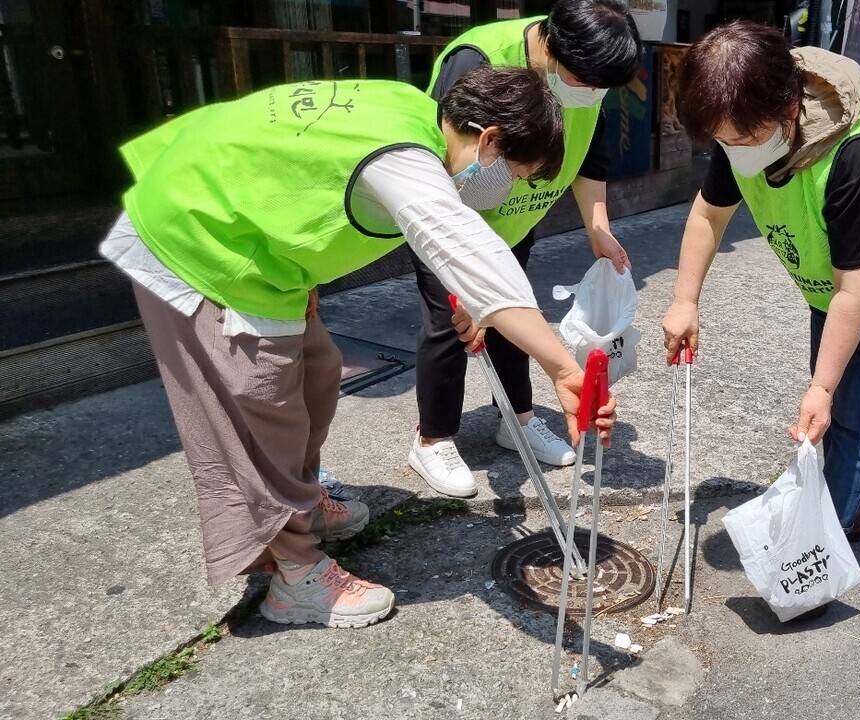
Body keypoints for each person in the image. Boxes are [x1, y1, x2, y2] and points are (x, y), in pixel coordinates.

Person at [100, 67, 616, 629]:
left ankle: (301, 499)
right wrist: (562, 367)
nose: (509, 189)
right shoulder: (408, 159)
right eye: (515, 174)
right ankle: (295, 575)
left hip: (249, 235)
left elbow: (303, 162)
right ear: (489, 138)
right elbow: (456, 237)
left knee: (317, 372)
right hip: (198, 239)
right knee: (263, 408)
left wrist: (470, 297)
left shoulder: (413, 110)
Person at [662, 22, 860, 609]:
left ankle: (816, 554)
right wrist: (684, 300)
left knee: (854, 411)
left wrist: (822, 386)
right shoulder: (744, 119)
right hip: (836, 276)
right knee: (828, 400)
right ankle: (830, 505)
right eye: (723, 142)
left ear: (791, 106)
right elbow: (707, 216)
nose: (736, 152)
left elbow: (856, 292)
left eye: (745, 138)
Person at [406, 0, 642, 499]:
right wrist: (464, 272)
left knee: (516, 318)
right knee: (450, 325)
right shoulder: (479, 59)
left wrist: (597, 224)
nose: (595, 94)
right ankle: (433, 438)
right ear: (553, 50)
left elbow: (590, 153)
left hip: (514, 221)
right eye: (588, 84)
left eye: (603, 88)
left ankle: (516, 420)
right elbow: (440, 155)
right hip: (450, 222)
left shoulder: (586, 73)